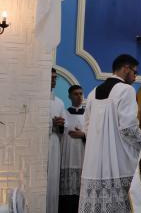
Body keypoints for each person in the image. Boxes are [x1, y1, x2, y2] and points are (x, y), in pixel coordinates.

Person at [79, 55, 141, 213]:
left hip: (94, 164)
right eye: (134, 72)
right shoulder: (126, 90)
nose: (135, 77)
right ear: (125, 68)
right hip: (119, 162)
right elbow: (128, 129)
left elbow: (86, 127)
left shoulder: (93, 93)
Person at [59, 85, 86, 213]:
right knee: (68, 199)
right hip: (68, 157)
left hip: (83, 157)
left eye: (81, 94)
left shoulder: (88, 114)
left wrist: (84, 134)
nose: (79, 96)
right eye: (76, 94)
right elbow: (59, 134)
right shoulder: (63, 113)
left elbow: (97, 135)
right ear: (69, 96)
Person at [47, 68, 65, 213]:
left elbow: (62, 129)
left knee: (52, 180)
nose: (54, 81)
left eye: (55, 78)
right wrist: (50, 124)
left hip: (54, 143)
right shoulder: (36, 101)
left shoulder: (59, 102)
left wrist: (60, 125)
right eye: (51, 77)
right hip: (40, 144)